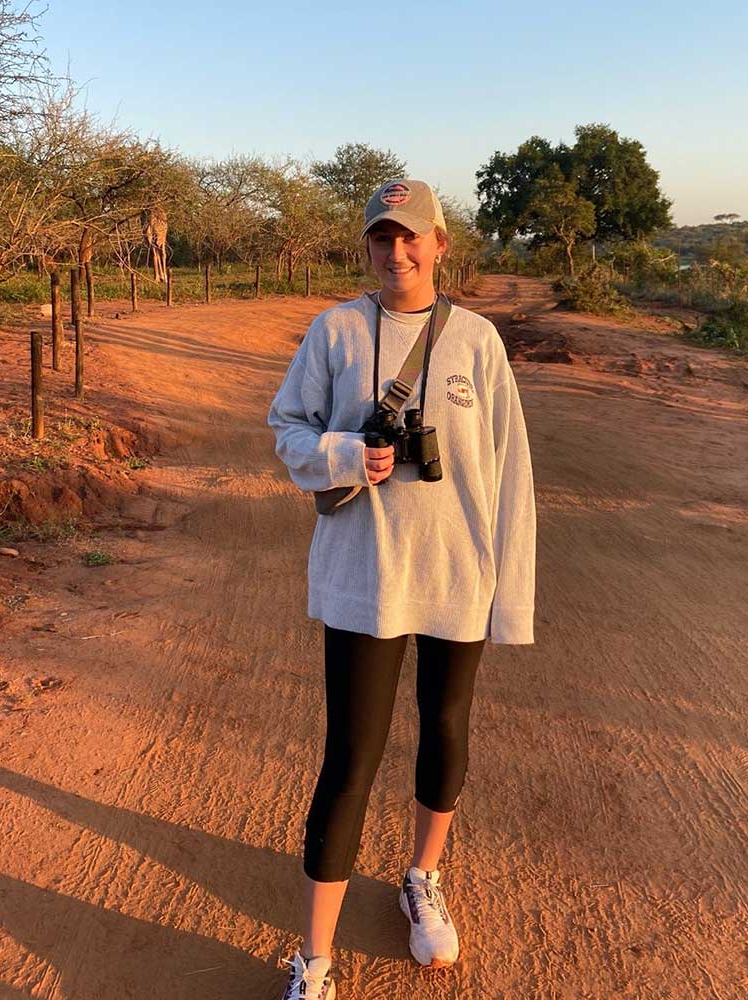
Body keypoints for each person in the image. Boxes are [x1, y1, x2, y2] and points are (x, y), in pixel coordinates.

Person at [266, 178, 536, 1000]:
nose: (397, 252)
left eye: (412, 237)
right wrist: (350, 455)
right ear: (369, 247)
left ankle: (421, 877)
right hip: (365, 578)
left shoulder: (480, 342)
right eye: (383, 238)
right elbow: (288, 426)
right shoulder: (336, 330)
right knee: (350, 757)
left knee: (445, 730)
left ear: (440, 244)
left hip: (458, 572)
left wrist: (510, 598)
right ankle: (314, 960)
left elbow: (511, 473)